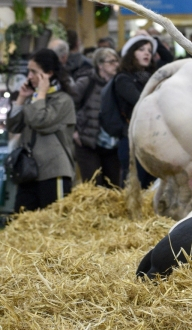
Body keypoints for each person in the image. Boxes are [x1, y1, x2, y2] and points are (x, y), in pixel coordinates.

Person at [6, 48, 76, 212]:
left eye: (33, 72)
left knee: (54, 224)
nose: (29, 76)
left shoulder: (63, 100)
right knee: (21, 222)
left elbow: (40, 121)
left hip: (53, 171)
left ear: (49, 73)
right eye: (28, 71)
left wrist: (41, 93)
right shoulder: (35, 99)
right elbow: (14, 125)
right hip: (29, 171)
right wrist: (22, 99)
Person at [70, 47, 121, 187]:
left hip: (112, 145)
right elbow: (70, 105)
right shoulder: (87, 82)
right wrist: (74, 131)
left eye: (117, 61)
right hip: (88, 143)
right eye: (111, 62)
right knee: (93, 186)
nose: (116, 64)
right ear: (100, 65)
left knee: (114, 186)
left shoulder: (119, 83)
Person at [113, 35, 158, 188]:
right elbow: (141, 100)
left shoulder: (153, 77)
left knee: (151, 184)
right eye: (141, 49)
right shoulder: (123, 78)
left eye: (150, 50)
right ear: (131, 53)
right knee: (133, 184)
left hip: (153, 136)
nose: (147, 53)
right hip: (132, 138)